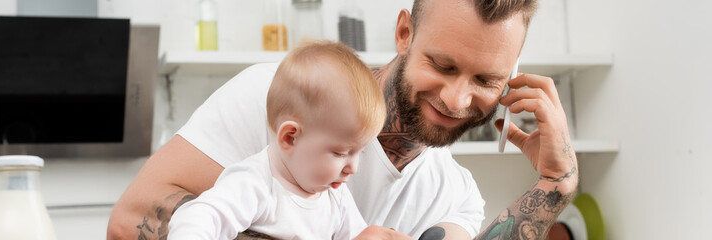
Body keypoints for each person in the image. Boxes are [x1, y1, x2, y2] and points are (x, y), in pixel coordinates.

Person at [108, 0, 579, 239]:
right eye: (443, 65)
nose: (458, 98)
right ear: (404, 33)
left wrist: (557, 183)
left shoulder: (453, 195)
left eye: (486, 79)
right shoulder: (282, 98)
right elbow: (129, 223)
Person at [167, 41, 384, 239]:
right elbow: (197, 217)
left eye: (360, 152)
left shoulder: (337, 198)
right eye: (341, 153)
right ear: (290, 137)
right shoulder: (256, 183)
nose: (353, 168)